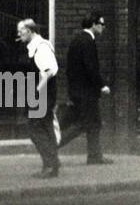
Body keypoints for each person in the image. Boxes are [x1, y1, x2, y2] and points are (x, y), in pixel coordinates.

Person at [59, 12, 112, 165]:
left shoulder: (78, 39)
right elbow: (91, 68)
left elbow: (71, 69)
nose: (103, 27)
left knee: (94, 123)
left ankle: (95, 156)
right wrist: (101, 85)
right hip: (86, 92)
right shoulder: (87, 41)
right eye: (102, 24)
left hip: (78, 91)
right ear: (94, 24)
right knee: (84, 123)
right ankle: (52, 145)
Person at [17, 19, 60, 178]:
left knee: (35, 130)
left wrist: (36, 91)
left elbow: (48, 71)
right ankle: (52, 164)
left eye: (21, 30)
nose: (19, 34)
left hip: (43, 96)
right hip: (44, 95)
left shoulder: (41, 48)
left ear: (29, 30)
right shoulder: (36, 47)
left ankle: (50, 165)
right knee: (46, 128)